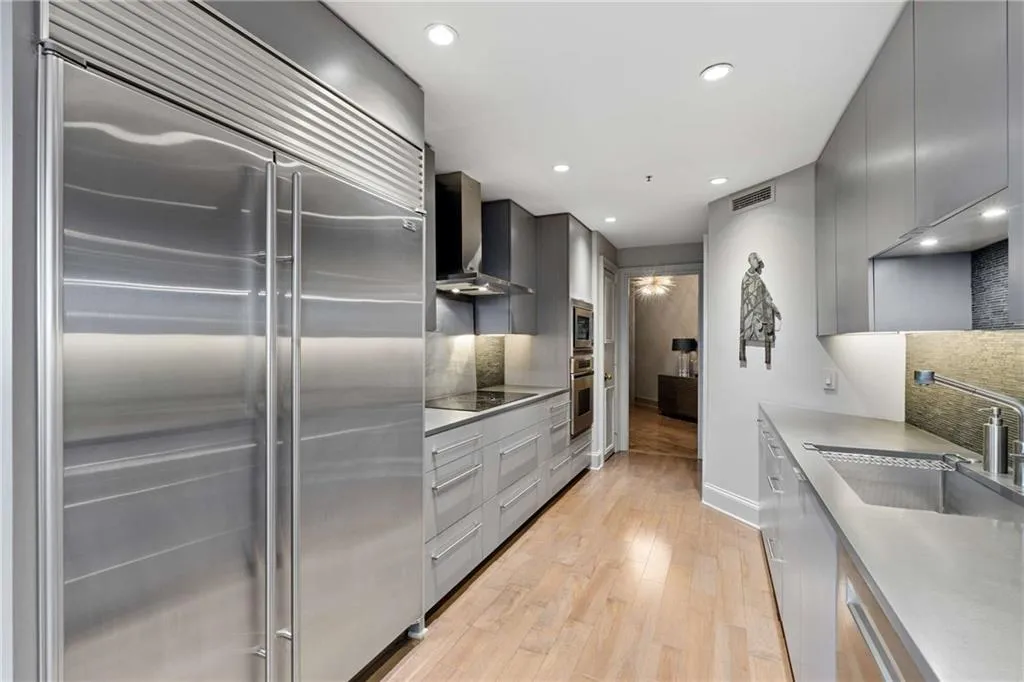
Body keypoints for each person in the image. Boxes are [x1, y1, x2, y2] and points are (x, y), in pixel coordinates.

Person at [739, 252, 781, 368]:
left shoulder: (758, 279)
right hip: (749, 313)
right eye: (756, 260)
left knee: (765, 328)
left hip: (758, 313)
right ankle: (743, 354)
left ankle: (767, 358)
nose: (758, 262)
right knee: (747, 330)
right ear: (751, 261)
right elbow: (745, 298)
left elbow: (766, 296)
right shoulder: (745, 279)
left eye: (758, 261)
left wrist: (774, 308)